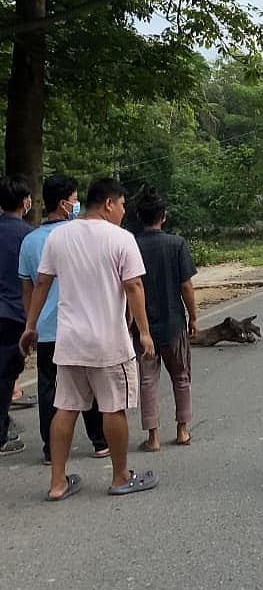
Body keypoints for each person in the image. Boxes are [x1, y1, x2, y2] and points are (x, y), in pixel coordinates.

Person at [19, 178, 159, 500]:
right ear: (109, 203)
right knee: (113, 408)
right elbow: (134, 287)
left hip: (70, 341)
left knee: (65, 408)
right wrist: (145, 332)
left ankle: (57, 483)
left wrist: (31, 325)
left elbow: (41, 283)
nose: (124, 211)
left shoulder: (59, 237)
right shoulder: (121, 239)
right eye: (122, 205)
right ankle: (121, 476)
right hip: (108, 342)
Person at [18, 174, 110, 464]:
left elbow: (28, 288)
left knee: (49, 390)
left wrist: (29, 325)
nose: (77, 203)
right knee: (90, 385)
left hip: (46, 329)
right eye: (74, 198)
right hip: (78, 325)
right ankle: (99, 442)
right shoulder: (79, 237)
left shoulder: (30, 240)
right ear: (63, 203)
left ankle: (51, 450)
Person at [132, 188, 198, 451]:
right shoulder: (177, 244)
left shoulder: (132, 245)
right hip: (173, 322)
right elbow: (186, 285)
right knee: (181, 375)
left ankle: (153, 437)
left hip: (143, 325)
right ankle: (182, 430)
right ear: (164, 216)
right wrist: (193, 317)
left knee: (148, 380)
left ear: (139, 216)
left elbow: (129, 286)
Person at [0, 176, 33, 455]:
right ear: (25, 202)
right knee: (6, 374)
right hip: (13, 313)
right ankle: (1, 435)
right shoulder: (27, 236)